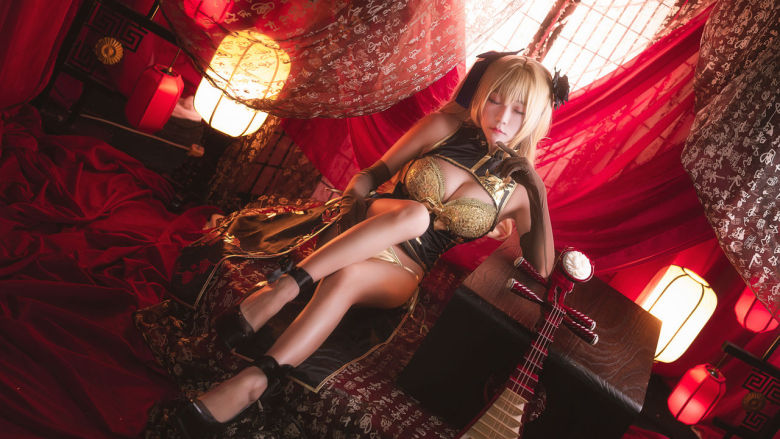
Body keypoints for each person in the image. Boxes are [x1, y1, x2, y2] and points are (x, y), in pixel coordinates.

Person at [174, 53, 562, 437]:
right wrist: (346, 207)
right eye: (494, 99)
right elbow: (369, 177)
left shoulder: (519, 192)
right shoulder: (443, 127)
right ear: (480, 94)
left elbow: (542, 270)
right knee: (417, 215)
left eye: (518, 110)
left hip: (405, 269)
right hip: (368, 220)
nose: (502, 118)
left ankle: (256, 379)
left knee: (348, 277)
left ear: (536, 117)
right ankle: (284, 287)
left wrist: (537, 192)